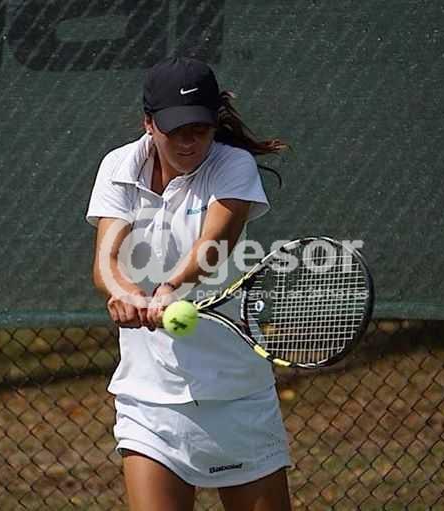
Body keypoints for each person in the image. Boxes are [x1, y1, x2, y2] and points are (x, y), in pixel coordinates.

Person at [85, 56, 292, 511]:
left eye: (199, 128)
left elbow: (214, 245)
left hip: (237, 396)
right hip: (148, 402)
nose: (188, 141)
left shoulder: (233, 165)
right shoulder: (119, 166)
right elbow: (106, 260)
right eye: (175, 129)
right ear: (149, 123)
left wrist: (168, 288)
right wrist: (124, 293)